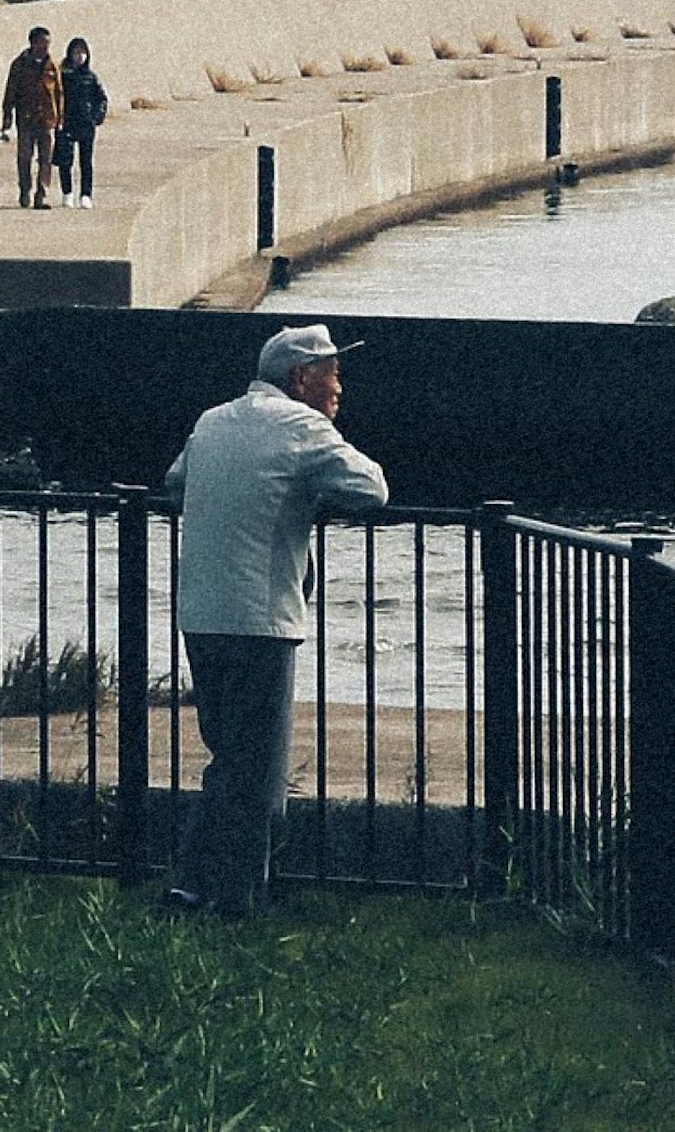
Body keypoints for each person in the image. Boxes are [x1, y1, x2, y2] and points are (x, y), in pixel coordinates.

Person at [160, 323, 388, 915]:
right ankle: (237, 901)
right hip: (260, 618)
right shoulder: (303, 428)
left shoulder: (213, 420)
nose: (339, 386)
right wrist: (310, 487)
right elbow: (372, 488)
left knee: (229, 759)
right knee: (255, 771)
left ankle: (188, 885)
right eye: (333, 373)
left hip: (201, 612)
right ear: (301, 378)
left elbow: (177, 481)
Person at [0, 24, 62, 210]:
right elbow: (10, 92)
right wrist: (7, 119)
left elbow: (59, 92)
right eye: (42, 44)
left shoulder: (52, 65)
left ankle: (42, 195)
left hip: (47, 119)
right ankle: (25, 190)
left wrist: (60, 118)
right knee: (25, 157)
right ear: (33, 44)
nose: (45, 48)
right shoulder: (19, 65)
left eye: (48, 44)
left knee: (45, 159)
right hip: (26, 118)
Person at [54, 36, 107, 207]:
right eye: (76, 52)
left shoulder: (90, 77)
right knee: (65, 160)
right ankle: (67, 193)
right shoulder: (62, 75)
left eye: (83, 52)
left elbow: (102, 98)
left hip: (86, 123)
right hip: (66, 122)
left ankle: (86, 195)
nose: (80, 56)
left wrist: (96, 116)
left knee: (86, 161)